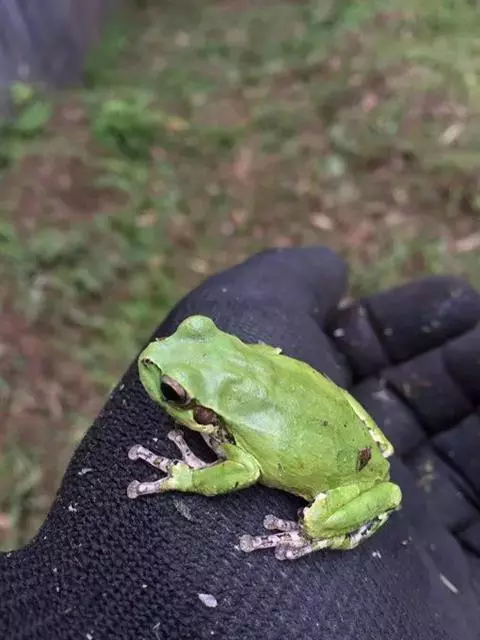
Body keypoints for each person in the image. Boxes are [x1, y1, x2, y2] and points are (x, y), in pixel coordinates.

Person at [1, 246, 479, 640]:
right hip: (349, 428)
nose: (154, 355)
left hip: (342, 482)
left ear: (204, 415)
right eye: (194, 330)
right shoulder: (218, 401)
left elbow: (243, 470)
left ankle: (318, 533)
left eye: (174, 393)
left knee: (316, 519)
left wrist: (187, 477)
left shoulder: (224, 430)